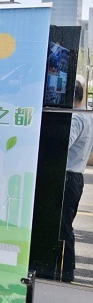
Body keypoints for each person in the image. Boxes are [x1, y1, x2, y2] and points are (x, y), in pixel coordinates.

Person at [60, 81, 93, 283]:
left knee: (63, 227)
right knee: (66, 225)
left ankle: (65, 273)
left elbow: (64, 144)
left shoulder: (76, 118)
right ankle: (66, 271)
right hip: (77, 176)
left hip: (67, 176)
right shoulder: (88, 114)